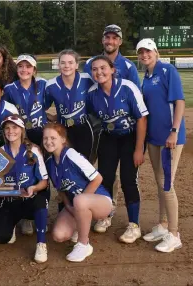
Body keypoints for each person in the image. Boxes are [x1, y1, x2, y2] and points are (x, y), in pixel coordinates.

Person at [87, 55, 148, 243]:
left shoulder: (128, 87)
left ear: (113, 69)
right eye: (95, 69)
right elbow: (89, 117)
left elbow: (141, 118)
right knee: (105, 178)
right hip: (109, 138)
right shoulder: (92, 93)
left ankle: (134, 225)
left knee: (129, 179)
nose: (99, 72)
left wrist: (138, 149)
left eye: (103, 68)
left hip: (130, 137)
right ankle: (106, 214)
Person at [136, 38, 186, 252]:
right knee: (159, 182)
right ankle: (163, 225)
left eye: (148, 51)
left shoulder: (167, 71)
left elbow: (180, 102)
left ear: (155, 52)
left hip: (169, 138)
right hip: (154, 138)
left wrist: (174, 131)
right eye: (141, 52)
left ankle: (174, 234)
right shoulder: (146, 77)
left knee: (166, 184)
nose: (144, 55)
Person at [44, 123, 112, 262]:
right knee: (59, 235)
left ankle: (83, 244)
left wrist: (79, 201)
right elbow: (61, 190)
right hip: (77, 205)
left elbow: (98, 179)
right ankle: (81, 223)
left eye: (53, 138)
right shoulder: (50, 163)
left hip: (100, 200)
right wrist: (69, 207)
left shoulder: (71, 154)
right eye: (45, 138)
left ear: (63, 139)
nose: (48, 141)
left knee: (80, 200)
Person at [0, 115, 49, 263]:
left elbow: (44, 181)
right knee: (2, 238)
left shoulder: (34, 150)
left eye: (15, 127)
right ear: (4, 131)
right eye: (7, 128)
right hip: (11, 201)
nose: (11, 131)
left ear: (22, 129)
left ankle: (41, 243)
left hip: (30, 199)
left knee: (40, 202)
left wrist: (34, 187)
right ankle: (12, 224)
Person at [45, 49, 95, 160]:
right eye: (63, 63)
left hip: (83, 127)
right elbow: (43, 106)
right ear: (59, 65)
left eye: (70, 62)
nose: (66, 66)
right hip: (63, 128)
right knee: (64, 159)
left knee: (84, 161)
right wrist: (52, 116)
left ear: (77, 65)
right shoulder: (51, 85)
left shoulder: (87, 79)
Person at [4, 54, 48, 146]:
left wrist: (53, 116)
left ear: (34, 70)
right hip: (21, 133)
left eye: (28, 66)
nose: (24, 70)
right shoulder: (9, 89)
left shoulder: (42, 84)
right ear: (17, 69)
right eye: (20, 66)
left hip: (42, 131)